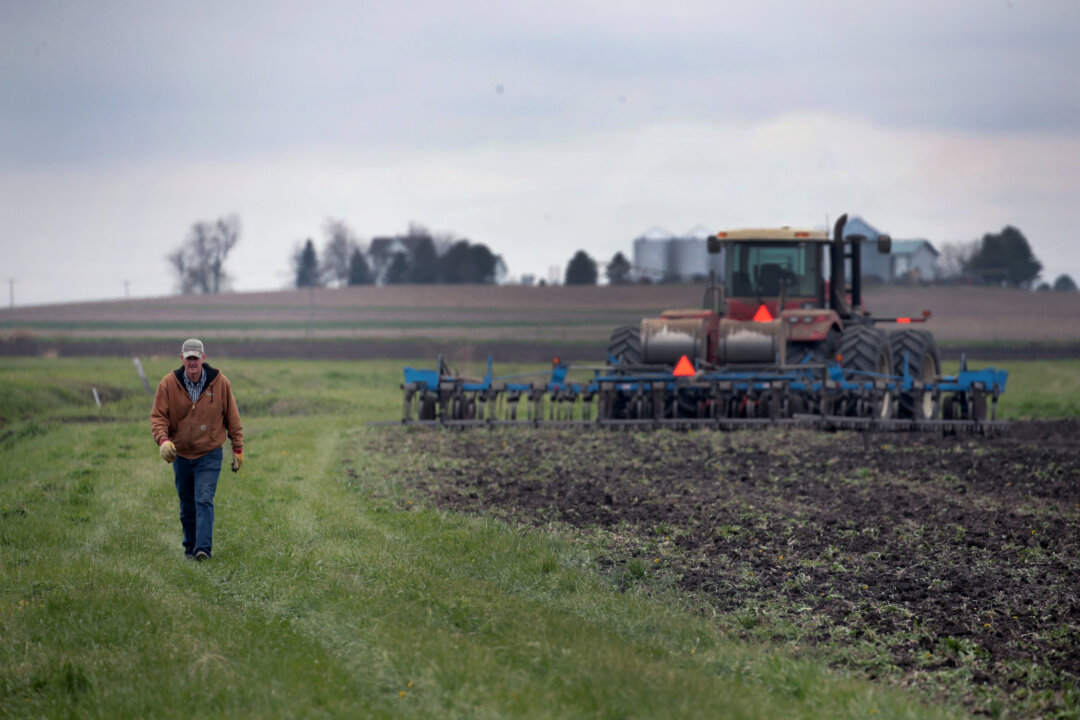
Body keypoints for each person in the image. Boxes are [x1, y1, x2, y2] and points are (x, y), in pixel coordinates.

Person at [151, 338, 244, 561]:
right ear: (182, 359)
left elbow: (232, 417)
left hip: (209, 453)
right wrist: (163, 441)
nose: (192, 362)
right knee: (187, 505)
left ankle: (203, 549)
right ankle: (189, 549)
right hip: (180, 453)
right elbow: (158, 417)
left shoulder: (220, 383)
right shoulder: (168, 384)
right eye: (188, 358)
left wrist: (237, 448)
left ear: (204, 358)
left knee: (203, 498)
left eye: (196, 358)